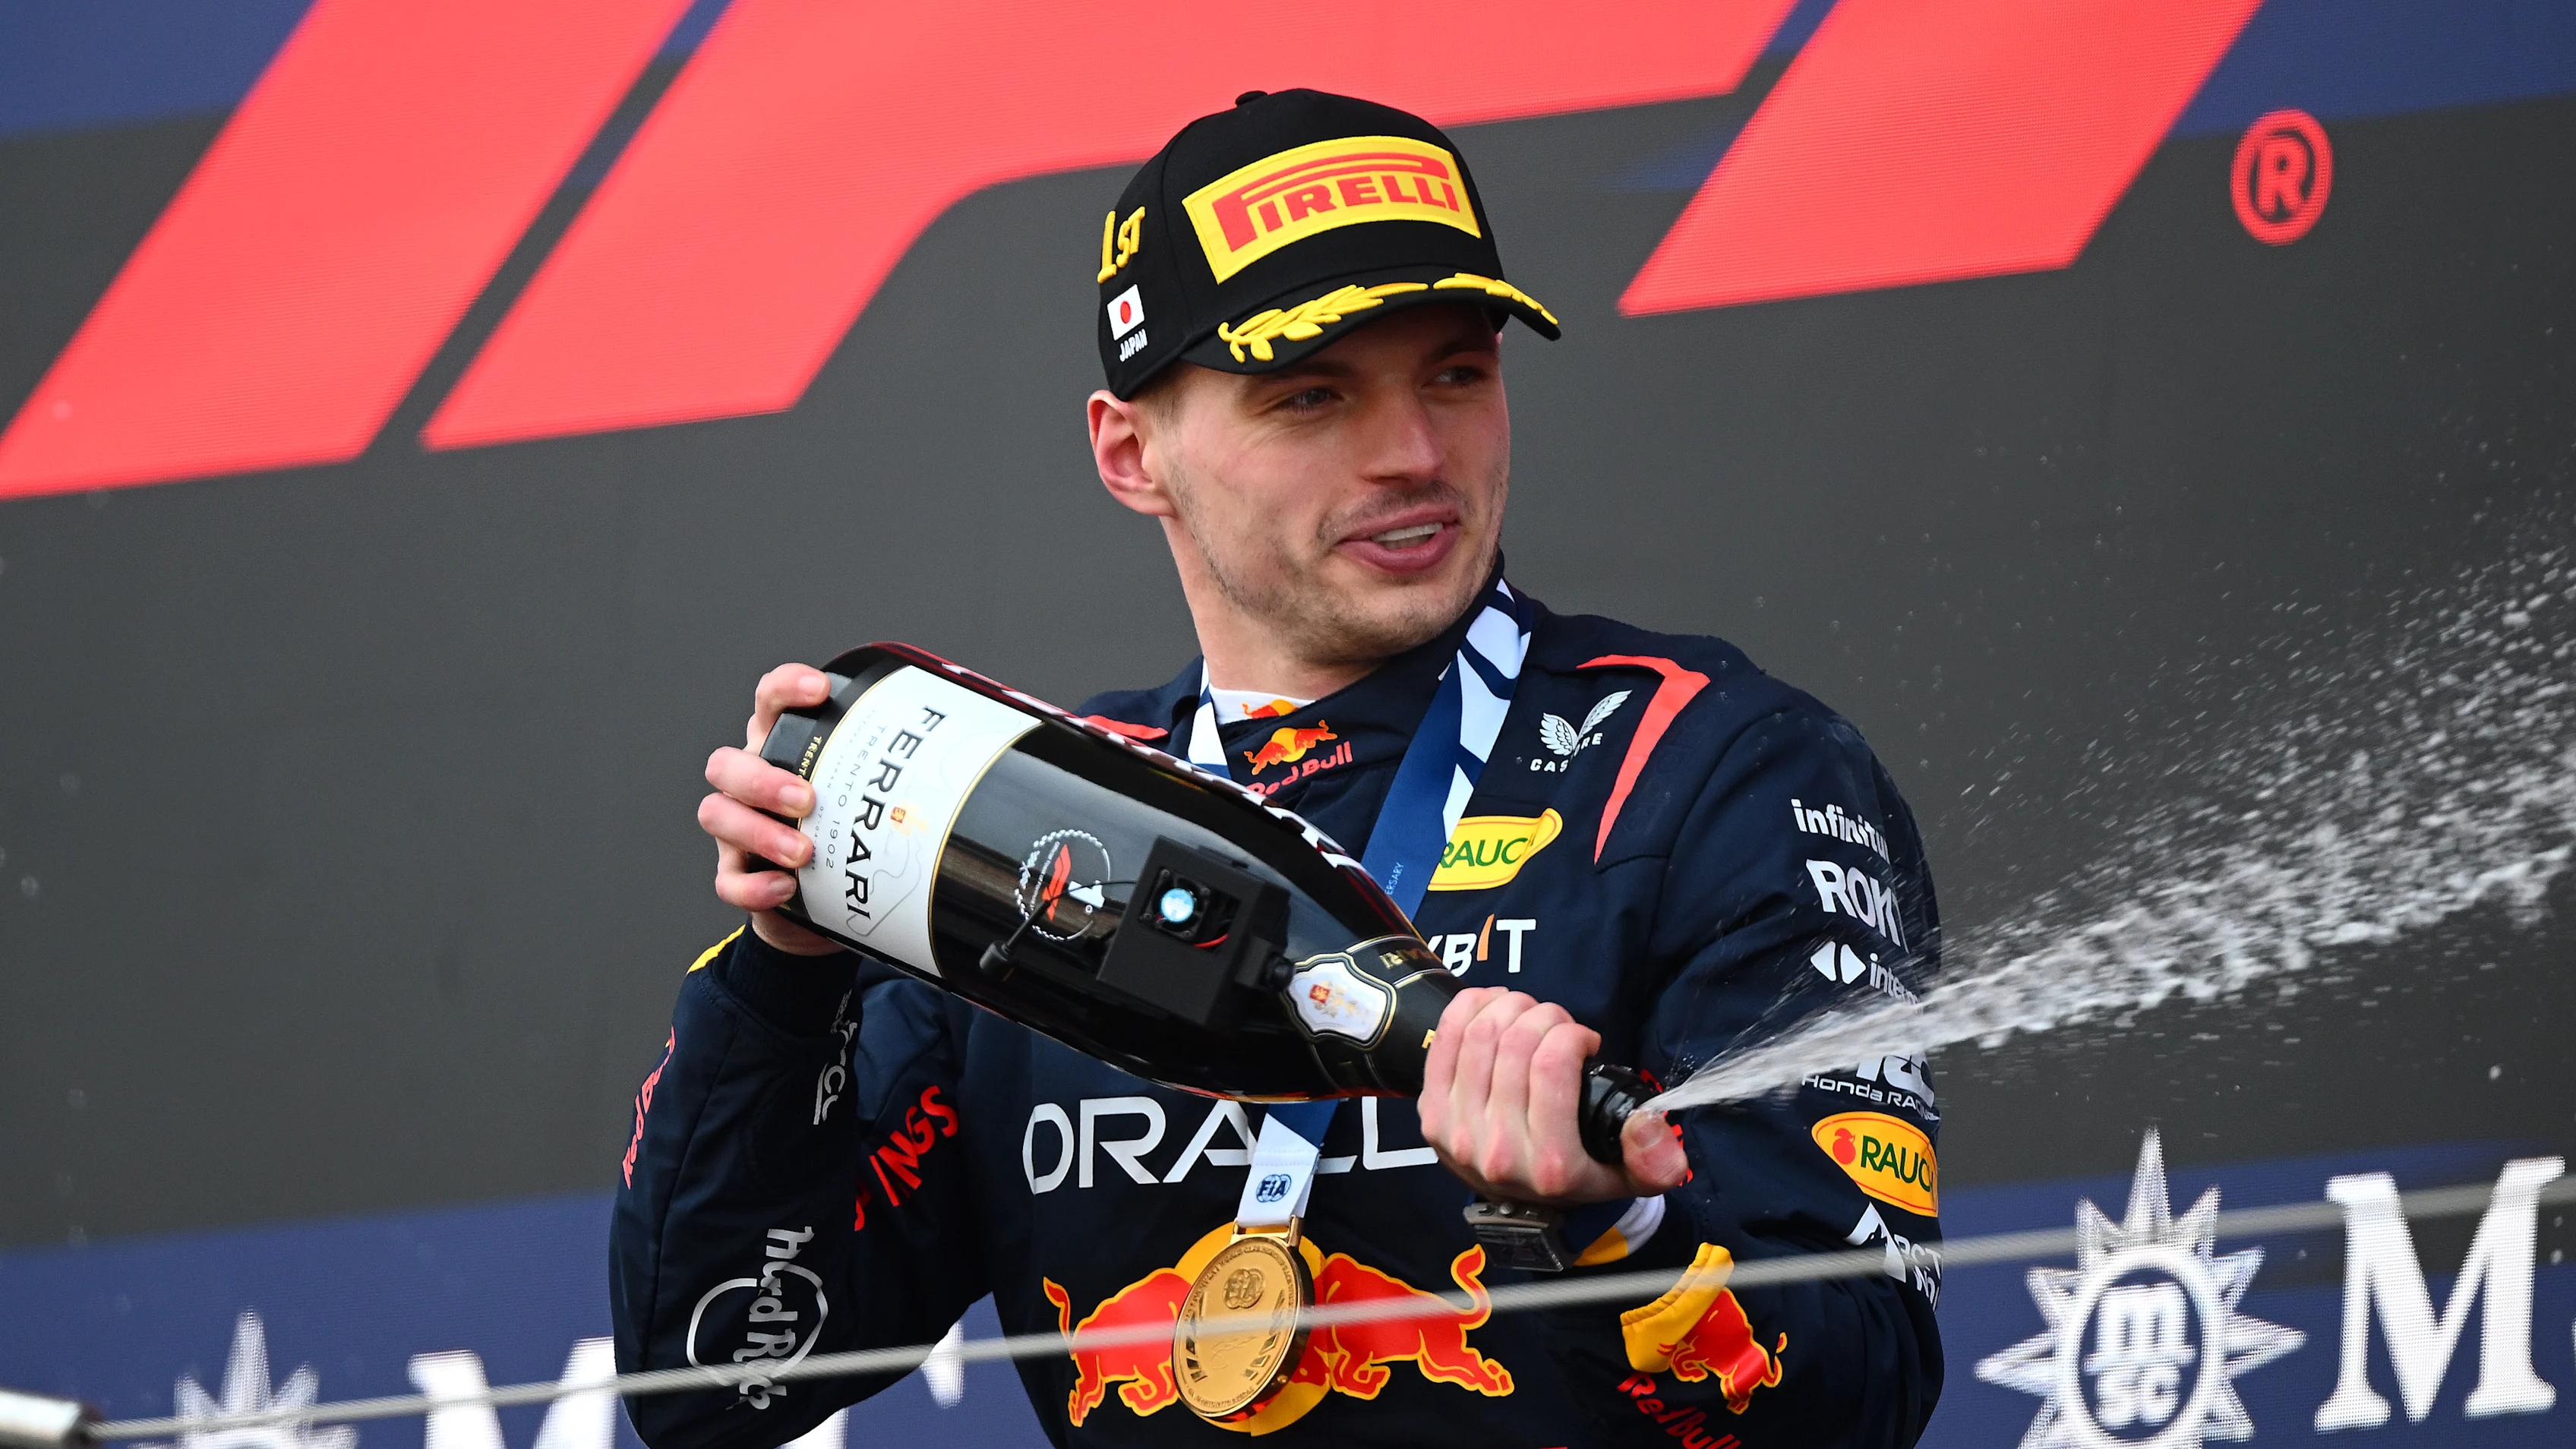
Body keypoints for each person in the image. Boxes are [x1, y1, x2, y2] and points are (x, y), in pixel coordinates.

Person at [614, 89, 1943, 1447]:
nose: (1414, 454)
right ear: (1132, 453)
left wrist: (1618, 1227)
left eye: (1457, 372)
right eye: (1311, 395)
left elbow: (1869, 1387)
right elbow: (719, 1379)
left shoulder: (1715, 765)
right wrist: (788, 977)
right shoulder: (1024, 831)